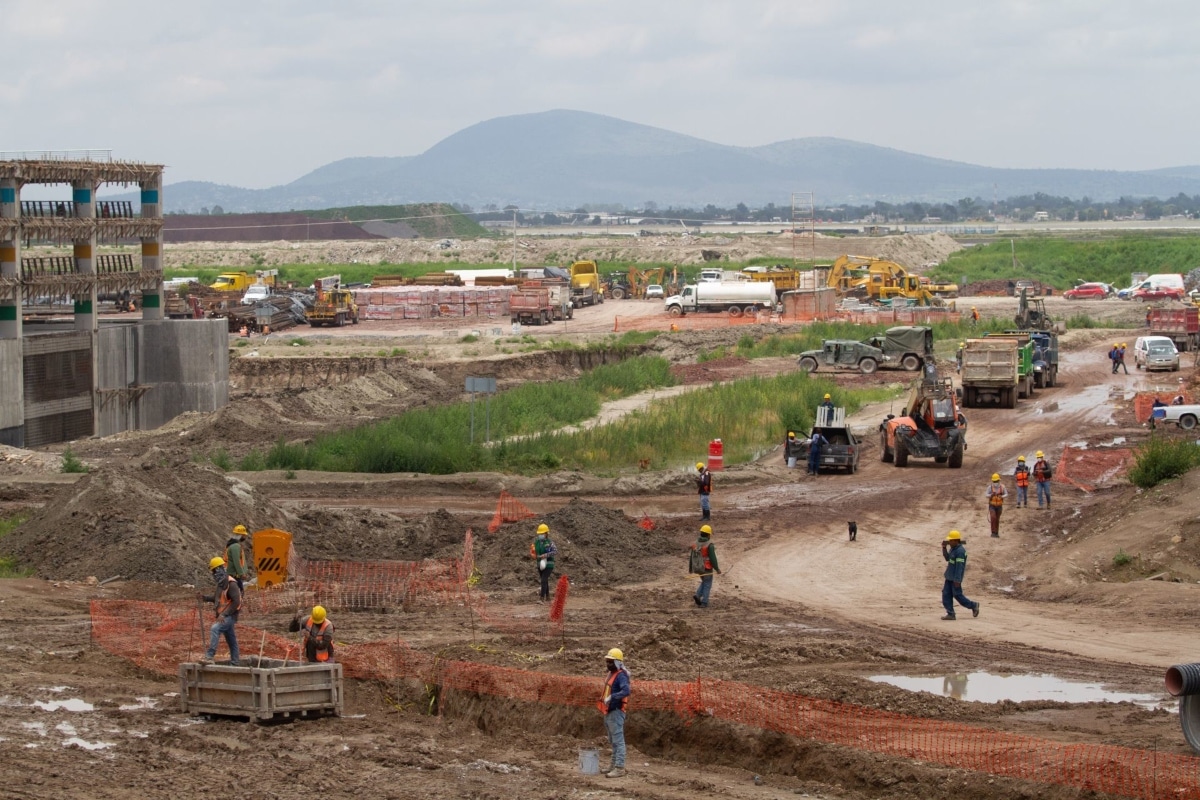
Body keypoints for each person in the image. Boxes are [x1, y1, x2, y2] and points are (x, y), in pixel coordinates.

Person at [200, 556, 242, 665]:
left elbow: (236, 602)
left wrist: (224, 614)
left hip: (230, 615)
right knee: (231, 640)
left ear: (219, 569)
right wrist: (204, 598)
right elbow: (216, 598)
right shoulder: (221, 583)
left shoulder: (231, 584)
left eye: (214, 570)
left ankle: (209, 656)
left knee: (215, 628)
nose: (213, 573)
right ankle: (235, 663)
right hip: (224, 615)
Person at [598, 648, 631, 778]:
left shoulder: (621, 675)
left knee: (618, 741)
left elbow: (626, 691)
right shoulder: (612, 674)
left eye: (611, 662)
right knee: (613, 741)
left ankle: (619, 767)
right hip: (609, 711)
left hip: (616, 712)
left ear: (617, 662)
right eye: (607, 661)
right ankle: (613, 766)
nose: (608, 664)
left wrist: (612, 697)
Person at [940, 530, 980, 620]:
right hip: (949, 577)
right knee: (946, 595)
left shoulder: (960, 552)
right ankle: (950, 613)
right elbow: (947, 558)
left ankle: (974, 605)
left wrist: (957, 580)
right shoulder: (953, 549)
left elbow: (960, 567)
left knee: (958, 596)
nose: (949, 542)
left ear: (956, 540)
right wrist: (944, 548)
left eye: (950, 541)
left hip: (955, 578)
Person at [691, 524, 721, 608]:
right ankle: (704, 602)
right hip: (707, 568)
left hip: (698, 567)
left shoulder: (695, 543)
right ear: (708, 535)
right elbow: (713, 559)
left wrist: (692, 568)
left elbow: (692, 557)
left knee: (704, 582)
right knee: (707, 584)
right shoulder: (709, 545)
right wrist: (717, 569)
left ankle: (698, 595)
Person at [529, 523, 558, 602]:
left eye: (542, 534)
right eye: (539, 534)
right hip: (540, 564)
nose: (540, 535)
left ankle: (541, 598)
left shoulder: (549, 542)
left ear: (546, 534)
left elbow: (555, 551)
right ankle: (548, 597)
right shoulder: (536, 543)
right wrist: (533, 554)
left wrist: (546, 555)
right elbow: (533, 552)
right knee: (544, 580)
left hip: (549, 564)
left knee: (543, 580)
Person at [224, 524, 250, 591]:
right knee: (239, 592)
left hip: (232, 574)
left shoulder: (231, 544)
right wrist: (241, 574)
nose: (245, 537)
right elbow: (236, 561)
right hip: (235, 575)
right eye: (244, 535)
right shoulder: (235, 546)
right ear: (240, 535)